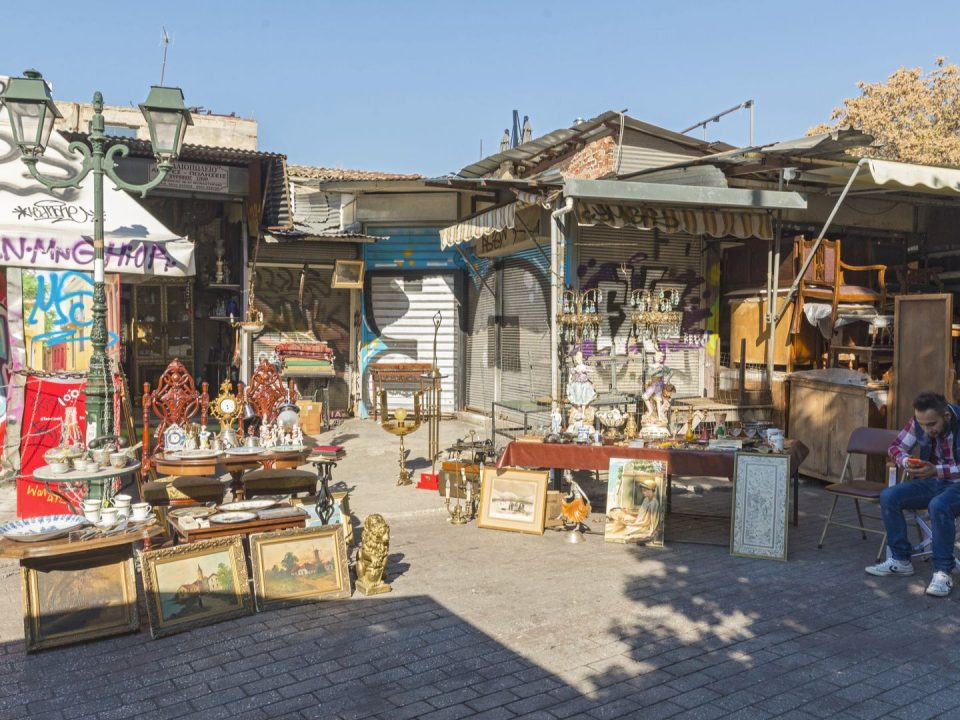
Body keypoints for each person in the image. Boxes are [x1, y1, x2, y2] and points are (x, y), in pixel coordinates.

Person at [865, 391, 960, 597]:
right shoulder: (920, 420)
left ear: (946, 416)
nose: (926, 429)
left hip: (956, 483)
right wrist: (906, 461)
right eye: (922, 424)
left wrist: (937, 470)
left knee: (939, 505)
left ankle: (943, 572)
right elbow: (895, 447)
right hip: (934, 480)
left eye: (931, 424)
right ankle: (900, 559)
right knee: (890, 496)